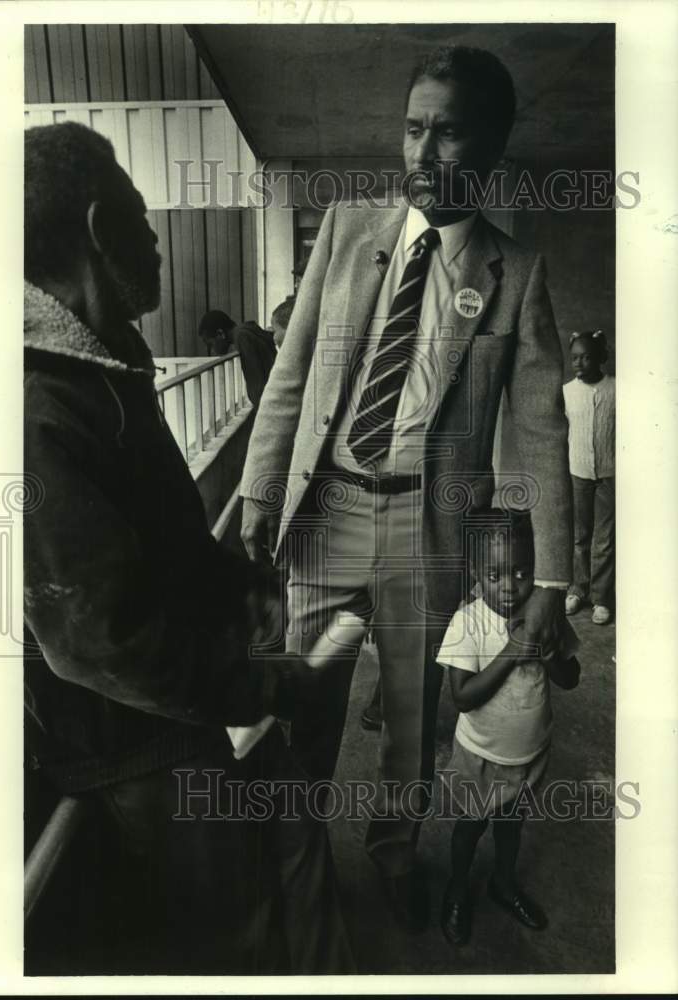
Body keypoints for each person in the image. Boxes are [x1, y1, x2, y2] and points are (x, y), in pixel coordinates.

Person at [240, 45, 572, 933]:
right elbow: (290, 371)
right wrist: (258, 490)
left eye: (449, 133)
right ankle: (294, 862)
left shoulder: (515, 275)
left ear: (493, 147)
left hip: (425, 527)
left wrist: (551, 583)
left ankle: (392, 858)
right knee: (296, 701)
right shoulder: (348, 230)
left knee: (409, 718)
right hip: (326, 511)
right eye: (412, 128)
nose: (422, 155)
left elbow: (542, 431)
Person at [24, 121, 353, 974]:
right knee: (231, 926)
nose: (157, 233)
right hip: (136, 746)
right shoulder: (37, 405)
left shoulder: (108, 364)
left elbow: (165, 532)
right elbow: (100, 642)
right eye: (141, 212)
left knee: (287, 850)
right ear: (101, 230)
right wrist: (259, 683)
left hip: (189, 705)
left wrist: (238, 584)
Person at [436, 507, 580, 946]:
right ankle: (457, 889)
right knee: (470, 826)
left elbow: (570, 678)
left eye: (522, 572)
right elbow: (462, 696)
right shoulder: (469, 622)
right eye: (495, 575)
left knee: (511, 824)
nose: (511, 586)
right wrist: (514, 650)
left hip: (529, 751)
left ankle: (502, 882)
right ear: (476, 573)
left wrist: (548, 648)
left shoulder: (543, 613)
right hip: (481, 755)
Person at [562, 330, 615, 624]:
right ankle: (577, 589)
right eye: (574, 358)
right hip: (578, 473)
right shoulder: (567, 392)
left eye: (585, 357)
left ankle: (601, 598)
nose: (579, 363)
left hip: (609, 474)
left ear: (599, 358)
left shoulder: (616, 389)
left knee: (604, 539)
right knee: (580, 535)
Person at [198, 309, 276, 407]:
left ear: (220, 334)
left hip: (270, 404)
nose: (212, 350)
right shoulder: (247, 331)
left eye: (211, 344)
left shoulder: (242, 337)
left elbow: (257, 383)